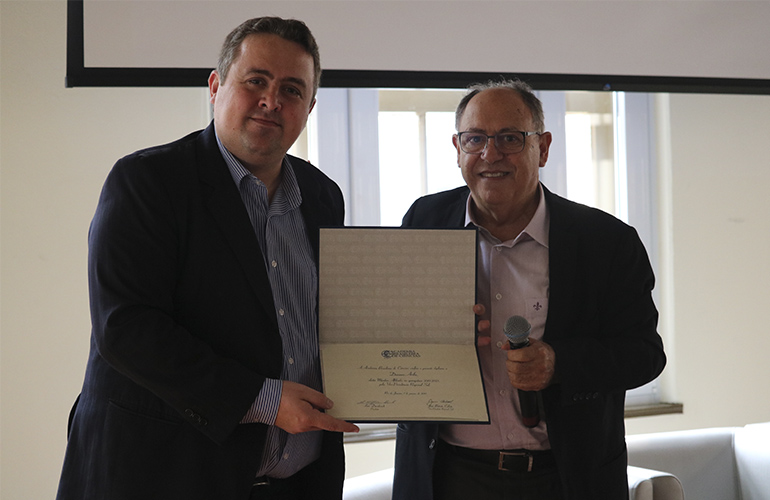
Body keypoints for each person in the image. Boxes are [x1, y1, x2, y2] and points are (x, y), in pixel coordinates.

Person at [55, 16, 358, 500]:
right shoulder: (148, 182)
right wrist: (264, 399)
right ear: (216, 87)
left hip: (299, 483)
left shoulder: (322, 196)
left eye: (292, 90)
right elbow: (126, 327)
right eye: (255, 81)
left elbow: (334, 318)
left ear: (310, 107)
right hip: (164, 477)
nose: (271, 101)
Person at [392, 79, 666, 500]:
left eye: (510, 138)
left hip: (568, 477)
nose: (490, 154)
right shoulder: (424, 220)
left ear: (544, 147)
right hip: (447, 474)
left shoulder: (606, 241)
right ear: (457, 148)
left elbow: (644, 355)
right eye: (475, 139)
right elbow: (394, 327)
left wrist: (558, 363)